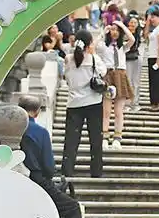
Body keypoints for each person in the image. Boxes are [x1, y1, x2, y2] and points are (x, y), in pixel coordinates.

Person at [19, 95, 88, 218]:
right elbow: (48, 166)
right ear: (36, 112)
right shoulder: (40, 132)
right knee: (72, 207)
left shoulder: (8, 128)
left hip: (16, 179)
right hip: (37, 180)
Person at [61, 29, 106, 179]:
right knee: (95, 138)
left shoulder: (68, 59)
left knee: (72, 139)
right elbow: (103, 72)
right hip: (93, 102)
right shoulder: (93, 59)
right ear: (89, 44)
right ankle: (96, 171)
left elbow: (66, 78)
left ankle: (67, 170)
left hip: (74, 103)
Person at [100, 20, 136, 148]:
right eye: (112, 29)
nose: (114, 32)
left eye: (117, 30)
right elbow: (93, 45)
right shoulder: (104, 46)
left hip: (120, 76)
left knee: (119, 111)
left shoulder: (122, 46)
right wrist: (103, 32)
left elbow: (132, 39)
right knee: (106, 111)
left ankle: (117, 138)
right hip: (108, 76)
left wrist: (122, 26)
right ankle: (104, 137)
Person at [124, 16, 144, 111]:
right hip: (126, 59)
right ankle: (127, 103)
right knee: (127, 81)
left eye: (135, 22)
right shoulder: (124, 34)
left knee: (136, 82)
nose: (132, 24)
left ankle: (135, 103)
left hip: (136, 58)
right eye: (131, 22)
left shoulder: (138, 34)